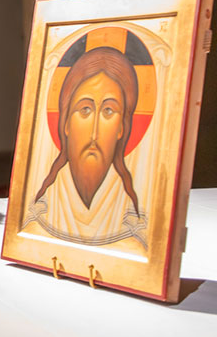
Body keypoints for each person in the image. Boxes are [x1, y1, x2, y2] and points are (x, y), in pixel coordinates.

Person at [24, 46, 147, 247]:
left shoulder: (133, 206)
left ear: (121, 128)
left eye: (109, 111)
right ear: (65, 123)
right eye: (84, 110)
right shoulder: (44, 200)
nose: (94, 132)